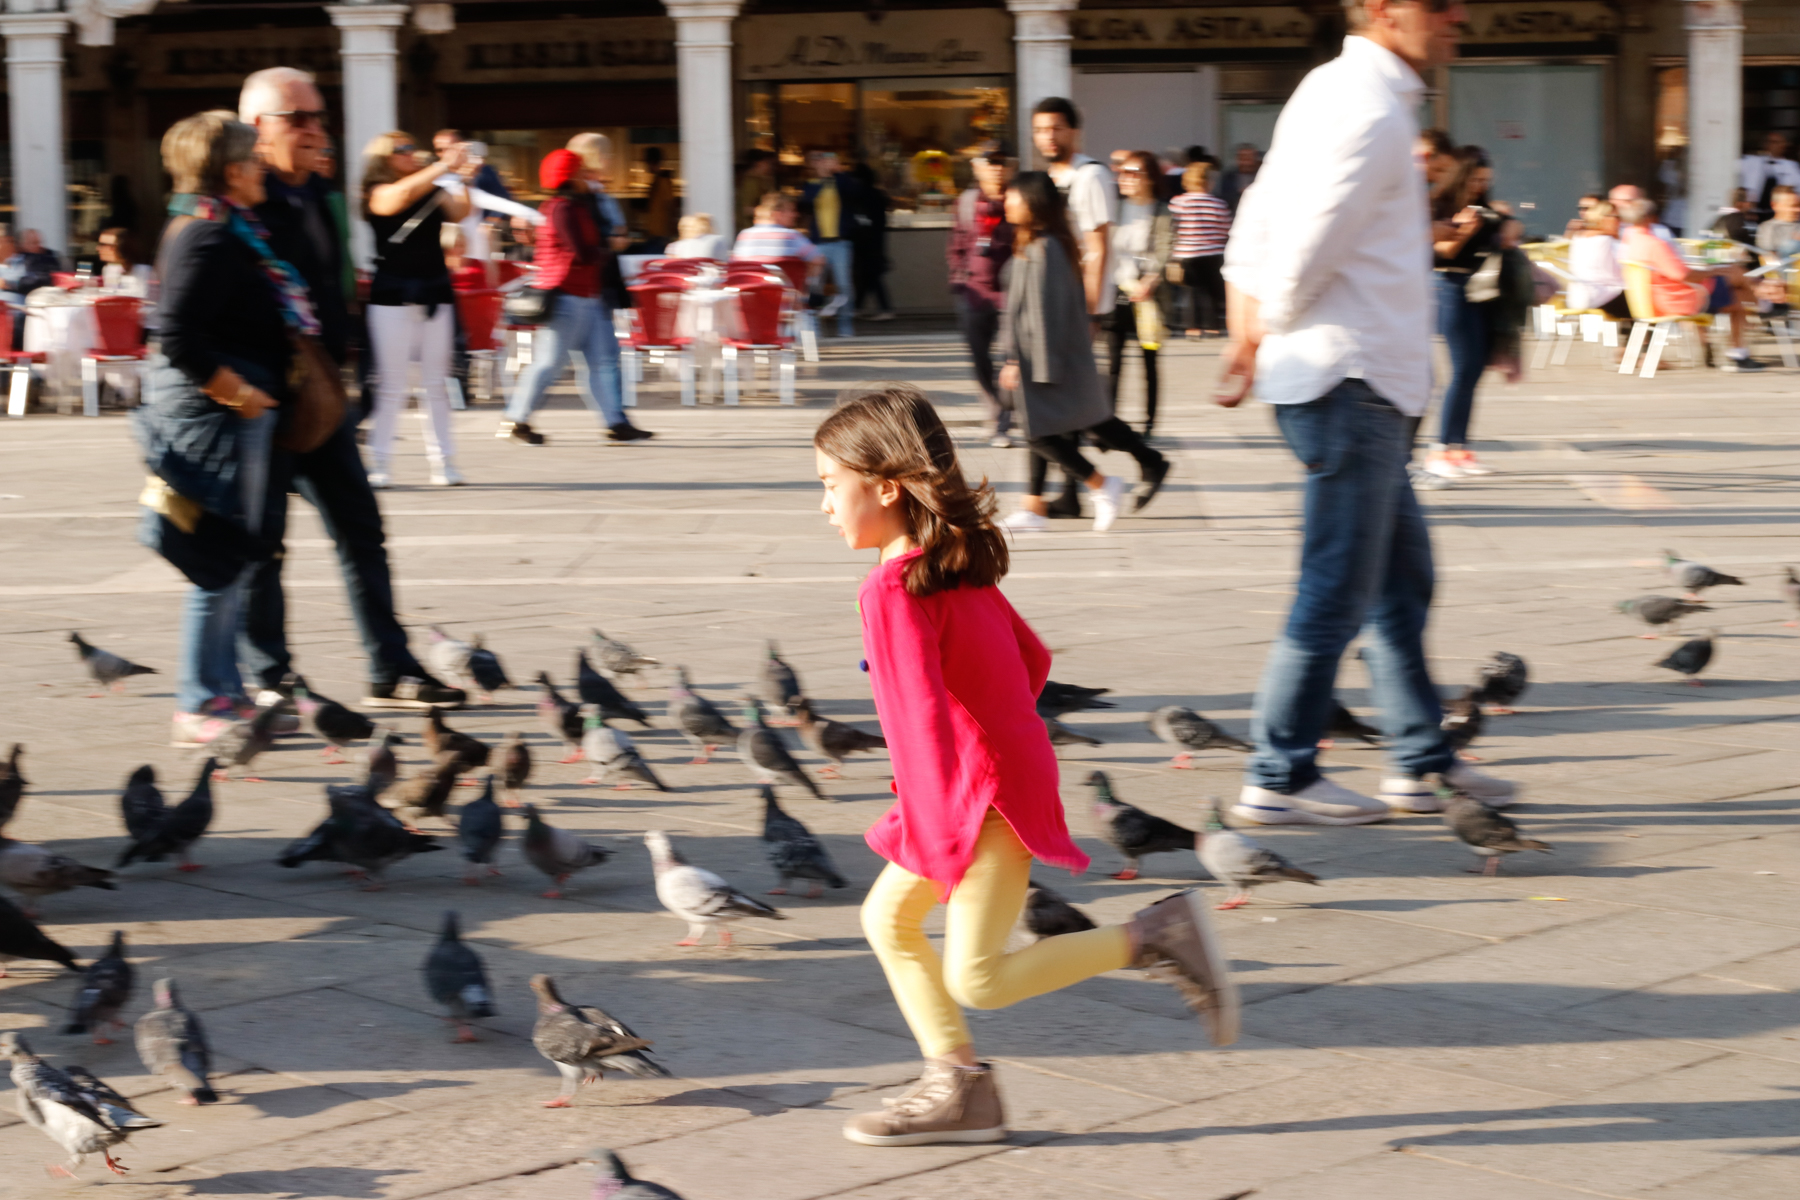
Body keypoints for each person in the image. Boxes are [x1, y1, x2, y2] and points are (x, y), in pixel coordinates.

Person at [816, 384, 1236, 1148]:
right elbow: (1032, 661)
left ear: (882, 485)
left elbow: (914, 722)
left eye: (828, 485)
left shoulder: (892, 588)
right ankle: (959, 1089)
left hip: (971, 800)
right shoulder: (956, 566)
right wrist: (1003, 732)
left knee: (976, 976)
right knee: (888, 920)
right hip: (999, 780)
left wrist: (943, 823)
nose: (824, 505)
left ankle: (1154, 938)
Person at [1218, 0, 1519, 825]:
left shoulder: (1333, 89)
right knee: (1338, 589)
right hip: (1348, 378)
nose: (1459, 18)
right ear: (1384, 10)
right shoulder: (1369, 107)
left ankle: (1417, 761)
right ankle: (1278, 774)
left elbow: (1257, 214)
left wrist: (1250, 325)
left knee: (1398, 581)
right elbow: (1309, 236)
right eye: (1440, 5)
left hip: (1351, 381)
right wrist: (1264, 322)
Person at [239, 66, 466, 711]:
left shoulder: (321, 192)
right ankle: (270, 675)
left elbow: (335, 280)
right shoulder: (242, 200)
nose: (317, 130)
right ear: (259, 129)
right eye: (299, 119)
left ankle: (389, 667)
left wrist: (345, 370)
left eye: (320, 116)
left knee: (361, 528)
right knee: (262, 543)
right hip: (262, 396)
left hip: (319, 393)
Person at [139, 112, 289, 747]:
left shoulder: (214, 226)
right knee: (219, 557)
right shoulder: (206, 235)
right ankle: (200, 700)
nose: (265, 168)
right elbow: (174, 333)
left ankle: (222, 690)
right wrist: (239, 393)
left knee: (230, 555)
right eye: (256, 159)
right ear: (232, 171)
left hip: (221, 410)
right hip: (214, 414)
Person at [995, 172, 1169, 534]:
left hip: (1047, 360)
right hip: (1045, 358)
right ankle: (1035, 508)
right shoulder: (1038, 243)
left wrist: (1024, 363)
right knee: (1054, 425)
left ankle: (1102, 485)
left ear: (1032, 203)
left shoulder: (1045, 249)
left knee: (1040, 433)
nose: (1006, 203)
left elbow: (1046, 315)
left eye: (1013, 197)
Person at [499, 148, 653, 447]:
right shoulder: (562, 209)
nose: (588, 178)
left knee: (602, 360)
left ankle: (616, 423)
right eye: (582, 172)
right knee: (549, 363)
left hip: (585, 295)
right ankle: (516, 419)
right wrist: (611, 246)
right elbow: (580, 251)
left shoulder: (573, 206)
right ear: (570, 177)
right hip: (568, 295)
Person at [360, 130, 470, 488]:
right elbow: (396, 199)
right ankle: (381, 463)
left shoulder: (431, 187)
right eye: (402, 149)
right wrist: (441, 166)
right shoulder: (377, 191)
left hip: (435, 290)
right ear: (383, 158)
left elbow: (460, 211)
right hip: (392, 295)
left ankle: (445, 462)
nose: (411, 153)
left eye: (412, 147)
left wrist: (463, 176)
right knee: (393, 385)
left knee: (436, 383)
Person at [1422, 146, 1505, 481]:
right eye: (1475, 180)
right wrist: (1461, 230)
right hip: (1449, 287)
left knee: (1473, 371)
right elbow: (1440, 252)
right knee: (1460, 370)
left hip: (1478, 290)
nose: (1481, 186)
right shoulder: (1439, 204)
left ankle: (1459, 448)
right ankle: (1439, 449)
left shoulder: (1482, 207)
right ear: (1462, 177)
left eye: (1486, 181)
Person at [1619, 196, 1764, 372]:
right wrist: (1712, 271)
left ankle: (1741, 339)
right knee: (1737, 281)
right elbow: (1683, 275)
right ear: (1651, 218)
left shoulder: (1629, 241)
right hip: (1679, 300)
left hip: (1651, 301)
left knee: (1736, 289)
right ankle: (1756, 319)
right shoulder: (1654, 244)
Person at [947, 151, 1014, 446]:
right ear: (978, 167)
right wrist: (958, 280)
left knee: (1011, 358)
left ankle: (1003, 422)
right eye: (990, 163)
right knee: (979, 359)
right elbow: (957, 243)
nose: (996, 169)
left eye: (1001, 163)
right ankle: (994, 410)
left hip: (1011, 294)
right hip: (975, 293)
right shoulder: (966, 202)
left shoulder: (1017, 199)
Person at [1105, 151, 1174, 438]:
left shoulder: (1160, 211)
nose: (1126, 178)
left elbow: (1164, 249)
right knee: (1113, 361)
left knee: (1149, 360)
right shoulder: (1115, 208)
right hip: (1117, 290)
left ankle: (1149, 423)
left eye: (1133, 172)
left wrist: (1151, 279)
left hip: (1149, 297)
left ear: (1149, 178)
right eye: (1122, 172)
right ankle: (1108, 423)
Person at [800, 150, 859, 337]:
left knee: (844, 285)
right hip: (818, 243)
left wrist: (838, 171)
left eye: (826, 161)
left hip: (841, 242)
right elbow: (806, 201)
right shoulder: (810, 184)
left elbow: (854, 192)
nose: (822, 164)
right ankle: (815, 328)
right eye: (818, 161)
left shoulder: (841, 181)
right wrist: (822, 177)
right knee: (815, 286)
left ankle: (845, 327)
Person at [1170, 160, 1229, 339]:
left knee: (1190, 291)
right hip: (1213, 253)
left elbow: (1172, 227)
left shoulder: (1178, 202)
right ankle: (1212, 326)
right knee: (1211, 292)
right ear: (1209, 182)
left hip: (1186, 253)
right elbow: (1225, 229)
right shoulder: (1218, 203)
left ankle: (1192, 327)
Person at [731, 192, 825, 293]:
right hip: (785, 300)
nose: (796, 215)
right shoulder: (792, 236)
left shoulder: (744, 235)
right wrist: (805, 280)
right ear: (777, 214)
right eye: (791, 210)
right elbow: (818, 260)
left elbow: (734, 265)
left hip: (748, 298)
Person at [1565, 201, 1630, 319]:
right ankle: (1641, 337)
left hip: (1578, 298)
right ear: (1603, 218)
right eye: (1617, 217)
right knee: (1644, 300)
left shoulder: (1579, 238)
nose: (1620, 222)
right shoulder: (1605, 240)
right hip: (1601, 297)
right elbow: (1618, 275)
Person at [849, 161, 894, 321]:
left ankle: (883, 308)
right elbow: (882, 220)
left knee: (868, 276)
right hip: (876, 240)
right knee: (869, 275)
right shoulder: (878, 195)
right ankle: (859, 307)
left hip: (863, 241)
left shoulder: (858, 194)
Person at [1739, 131, 1800, 219]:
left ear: (1784, 145)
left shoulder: (1792, 167)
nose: (1773, 145)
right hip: (1753, 212)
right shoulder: (1751, 162)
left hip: (1779, 213)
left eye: (1776, 142)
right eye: (1770, 142)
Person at [641, 145, 678, 249]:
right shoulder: (658, 180)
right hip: (657, 234)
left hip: (660, 235)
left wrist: (670, 231)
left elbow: (670, 206)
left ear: (650, 161)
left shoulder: (663, 181)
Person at [736, 148, 776, 233]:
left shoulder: (762, 180)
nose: (770, 166)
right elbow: (745, 209)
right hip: (749, 228)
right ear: (759, 163)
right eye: (767, 163)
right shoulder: (750, 182)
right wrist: (770, 212)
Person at [1756, 185, 1800, 259]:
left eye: (1798, 206)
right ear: (1775, 205)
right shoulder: (1768, 228)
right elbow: (1768, 260)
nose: (1798, 210)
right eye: (1792, 206)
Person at [1218, 142, 1261, 214]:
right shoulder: (1228, 177)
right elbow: (1223, 198)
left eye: (1248, 157)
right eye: (1242, 157)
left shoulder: (1261, 176)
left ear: (1255, 158)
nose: (1245, 161)